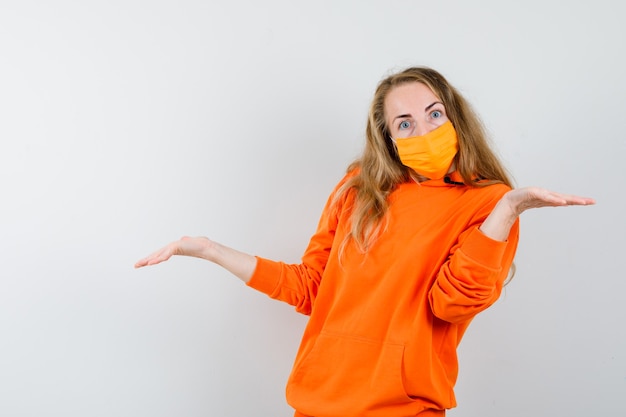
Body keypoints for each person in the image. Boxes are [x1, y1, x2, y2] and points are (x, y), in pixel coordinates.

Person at [135, 67, 594, 417]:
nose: (425, 130)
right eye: (405, 123)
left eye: (435, 114)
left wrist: (509, 210)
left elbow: (451, 306)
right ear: (389, 138)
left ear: (455, 116)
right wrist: (211, 250)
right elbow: (312, 287)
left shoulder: (487, 202)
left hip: (405, 407)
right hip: (317, 401)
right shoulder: (357, 188)